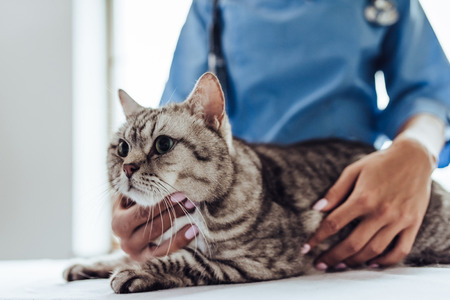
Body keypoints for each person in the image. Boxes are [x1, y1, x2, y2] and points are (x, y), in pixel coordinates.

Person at [112, 0, 450, 270]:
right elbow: (173, 122)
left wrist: (417, 149)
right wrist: (140, 204)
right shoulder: (211, 5)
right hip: (239, 201)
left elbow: (429, 92)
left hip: (355, 196)